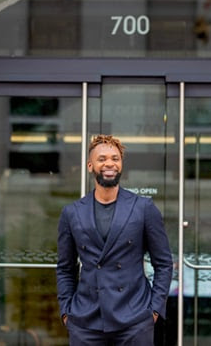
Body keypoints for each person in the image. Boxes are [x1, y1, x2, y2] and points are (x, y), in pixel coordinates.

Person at [57, 134, 173, 345]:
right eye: (102, 159)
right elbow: (65, 268)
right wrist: (66, 311)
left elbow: (164, 263)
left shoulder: (143, 208)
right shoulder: (71, 213)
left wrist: (154, 310)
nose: (109, 163)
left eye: (115, 158)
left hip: (134, 319)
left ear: (121, 165)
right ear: (90, 166)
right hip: (86, 320)